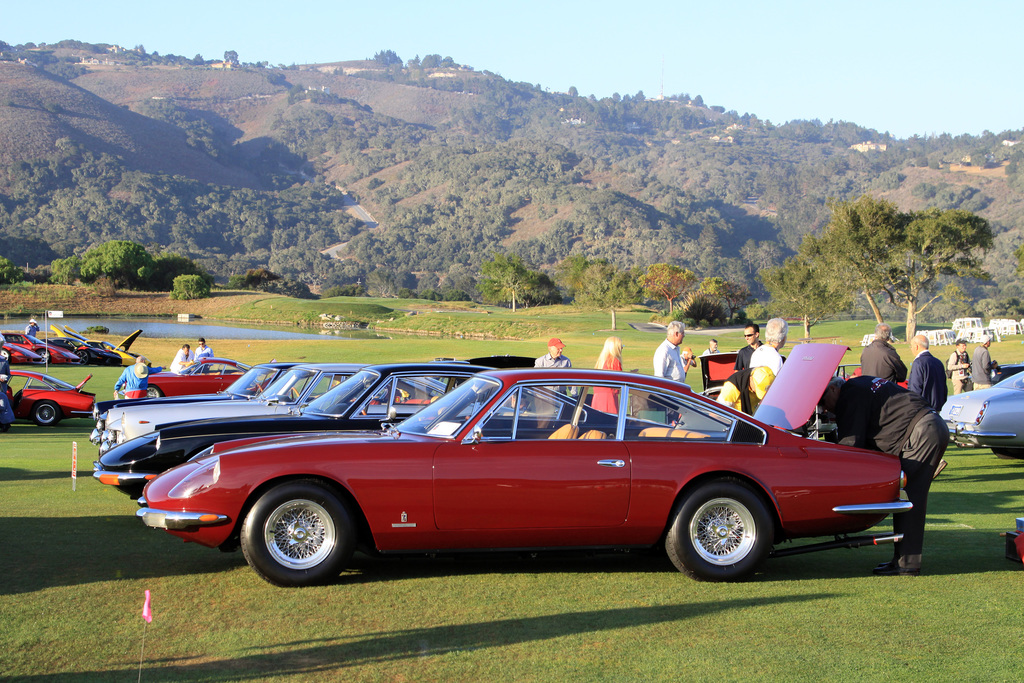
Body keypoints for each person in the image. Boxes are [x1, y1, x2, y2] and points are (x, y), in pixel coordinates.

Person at [819, 375, 947, 576]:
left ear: (834, 389)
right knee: (906, 496)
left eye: (822, 401)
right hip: (926, 425)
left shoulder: (850, 396)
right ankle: (901, 560)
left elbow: (851, 446)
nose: (824, 409)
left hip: (921, 431)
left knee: (908, 498)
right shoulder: (859, 384)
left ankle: (907, 564)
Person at [908, 334, 947, 412]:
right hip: (937, 407)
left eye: (911, 346)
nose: (911, 348)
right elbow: (944, 388)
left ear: (916, 346)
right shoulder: (938, 362)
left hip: (923, 409)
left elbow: (915, 388)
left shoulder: (918, 362)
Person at [592, 336, 623, 413]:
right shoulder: (613, 361)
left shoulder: (601, 361)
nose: (622, 348)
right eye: (620, 346)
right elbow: (620, 380)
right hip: (609, 397)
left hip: (598, 396)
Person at [0, 338, 14, 432]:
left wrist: (5, 379)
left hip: (2, 388)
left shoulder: (4, 361)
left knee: (3, 406)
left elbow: (8, 374)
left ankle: (5, 424)